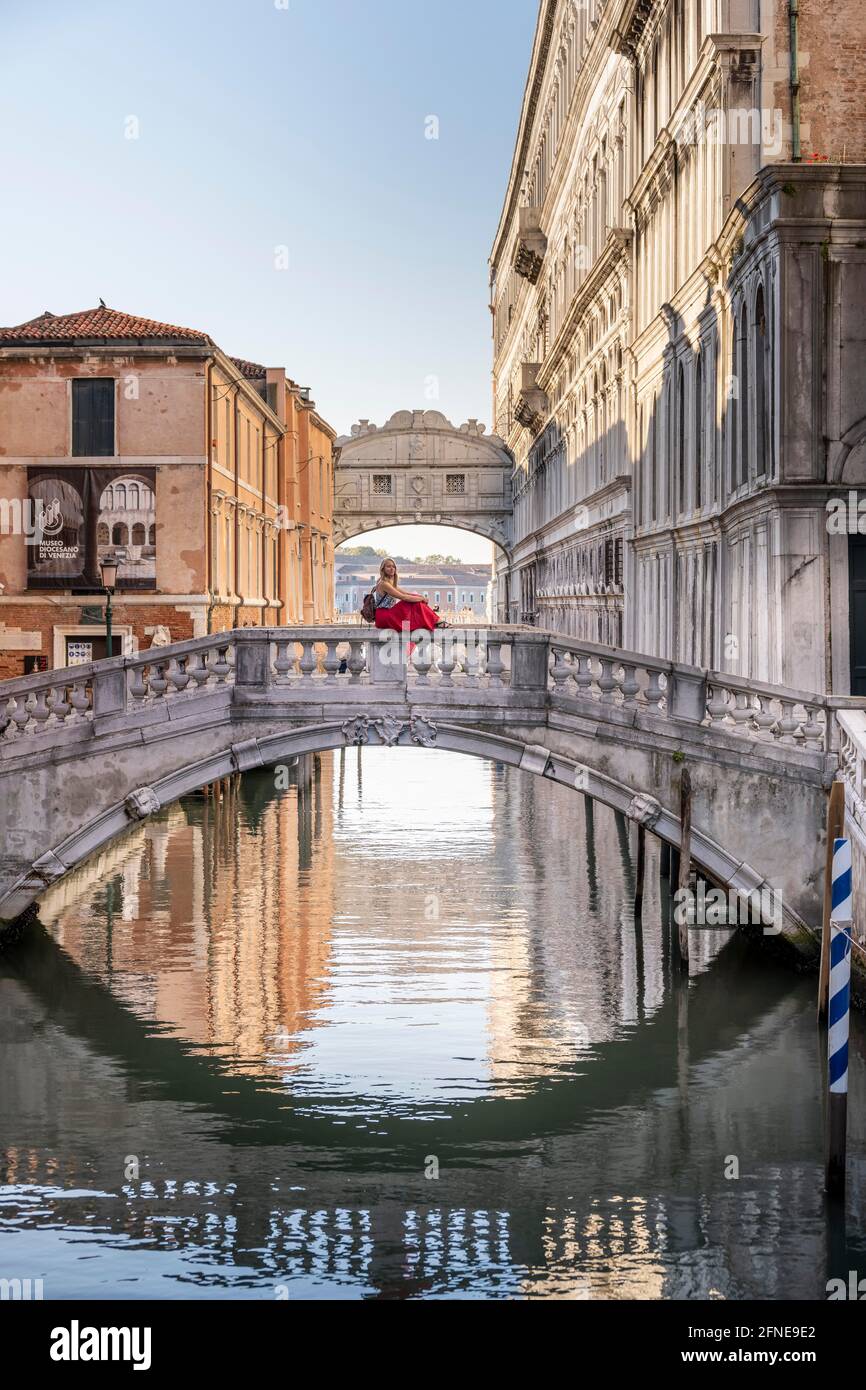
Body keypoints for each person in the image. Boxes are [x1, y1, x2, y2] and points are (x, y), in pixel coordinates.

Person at [371, 558, 449, 633]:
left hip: (386, 615)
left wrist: (420, 597)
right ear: (383, 569)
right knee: (410, 603)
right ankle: (436, 621)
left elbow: (405, 593)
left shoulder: (389, 583)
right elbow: (403, 597)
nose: (392, 568)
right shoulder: (383, 584)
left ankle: (435, 621)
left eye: (393, 566)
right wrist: (421, 599)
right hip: (384, 616)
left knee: (415, 598)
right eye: (388, 566)